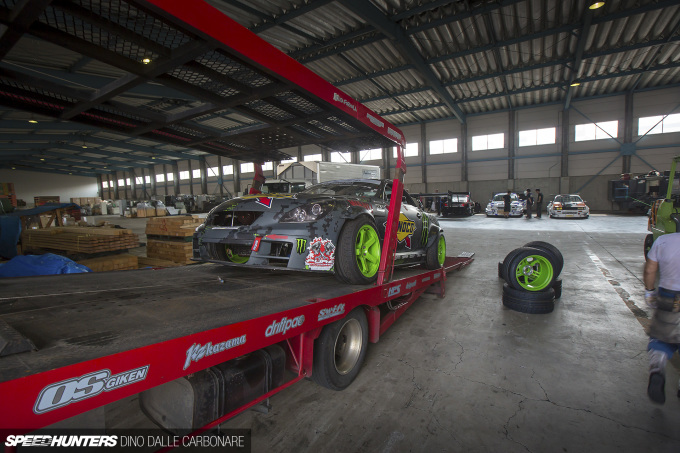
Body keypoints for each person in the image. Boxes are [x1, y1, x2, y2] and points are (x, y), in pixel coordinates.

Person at [643, 231, 680, 404]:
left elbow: (650, 269)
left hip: (668, 296)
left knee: (661, 338)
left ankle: (657, 366)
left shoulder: (663, 241)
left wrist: (649, 292)